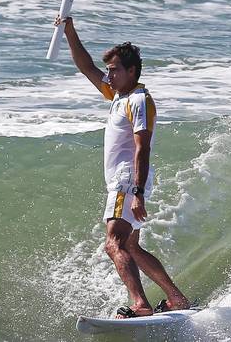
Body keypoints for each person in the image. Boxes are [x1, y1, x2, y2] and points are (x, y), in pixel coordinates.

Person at [55, 16, 190, 318]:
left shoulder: (138, 100)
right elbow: (86, 66)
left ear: (132, 71)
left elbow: (143, 147)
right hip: (127, 181)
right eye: (109, 70)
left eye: (114, 70)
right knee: (132, 247)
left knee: (113, 243)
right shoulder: (119, 95)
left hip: (127, 180)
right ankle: (176, 298)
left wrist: (137, 192)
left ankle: (139, 304)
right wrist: (69, 31)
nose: (109, 75)